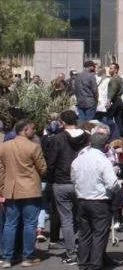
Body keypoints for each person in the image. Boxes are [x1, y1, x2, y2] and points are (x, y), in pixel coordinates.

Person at [0, 120, 47, 268]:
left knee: (10, 224)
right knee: (30, 224)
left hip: (11, 189)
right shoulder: (33, 147)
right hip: (30, 189)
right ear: (25, 130)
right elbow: (42, 168)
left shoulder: (4, 146)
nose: (34, 131)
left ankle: (6, 258)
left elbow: (1, 170)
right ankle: (27, 257)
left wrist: (3, 187)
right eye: (32, 128)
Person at [71, 129, 120, 270]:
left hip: (82, 200)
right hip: (99, 201)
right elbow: (112, 183)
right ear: (105, 146)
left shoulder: (78, 160)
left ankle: (83, 262)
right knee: (99, 233)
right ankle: (95, 264)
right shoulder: (103, 160)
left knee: (85, 233)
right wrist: (117, 187)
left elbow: (73, 179)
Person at [45, 110, 89, 265]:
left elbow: (51, 162)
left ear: (62, 122)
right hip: (81, 181)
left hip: (62, 181)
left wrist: (49, 178)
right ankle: (85, 250)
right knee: (83, 217)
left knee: (66, 219)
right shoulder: (87, 137)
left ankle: (71, 252)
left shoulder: (58, 139)